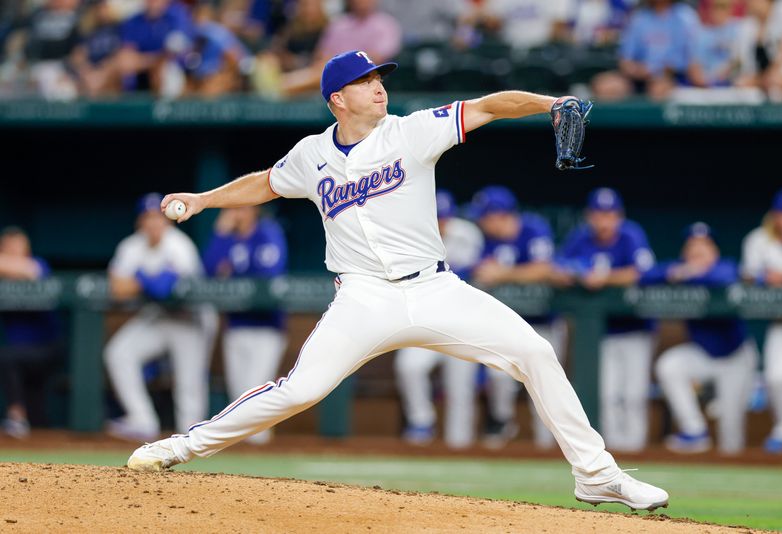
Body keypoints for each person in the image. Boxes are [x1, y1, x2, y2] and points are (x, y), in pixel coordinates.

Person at [127, 49, 669, 512]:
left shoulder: (411, 131)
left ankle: (596, 474)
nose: (379, 87)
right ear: (337, 98)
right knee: (301, 389)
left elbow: (486, 106)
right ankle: (181, 446)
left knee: (535, 352)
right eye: (365, 82)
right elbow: (266, 184)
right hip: (363, 297)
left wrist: (548, 104)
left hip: (435, 289)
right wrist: (202, 199)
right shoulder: (311, 155)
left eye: (379, 79)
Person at [552, 187, 656, 453]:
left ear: (618, 215)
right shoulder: (581, 237)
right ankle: (614, 452)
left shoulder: (631, 234)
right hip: (603, 334)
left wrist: (604, 277)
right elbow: (557, 266)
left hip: (635, 330)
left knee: (633, 395)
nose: (604, 220)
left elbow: (641, 272)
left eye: (609, 214)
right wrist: (575, 274)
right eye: (599, 214)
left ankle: (635, 449)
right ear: (590, 216)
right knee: (607, 395)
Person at [104, 193, 213, 441]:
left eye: (158, 217)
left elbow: (166, 288)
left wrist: (139, 277)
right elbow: (117, 288)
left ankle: (193, 435)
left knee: (189, 384)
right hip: (158, 318)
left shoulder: (180, 245)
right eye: (148, 217)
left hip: (190, 319)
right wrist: (147, 280)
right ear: (140, 222)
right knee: (119, 353)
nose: (153, 223)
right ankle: (141, 420)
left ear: (168, 221)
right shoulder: (131, 246)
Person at [648, 222, 757, 455]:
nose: (697, 252)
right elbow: (646, 276)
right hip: (703, 354)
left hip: (736, 356)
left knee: (731, 432)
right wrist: (678, 272)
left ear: (713, 251)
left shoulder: (725, 267)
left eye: (703, 247)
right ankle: (694, 429)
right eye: (692, 247)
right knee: (670, 365)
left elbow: (725, 277)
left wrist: (693, 272)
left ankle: (734, 484)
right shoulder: (680, 269)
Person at [469, 185, 564, 450]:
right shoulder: (487, 241)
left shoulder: (533, 228)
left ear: (500, 215)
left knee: (544, 384)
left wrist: (504, 274)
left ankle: (548, 445)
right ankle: (502, 422)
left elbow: (545, 269)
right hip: (507, 324)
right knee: (499, 375)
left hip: (543, 322)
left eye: (485, 216)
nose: (481, 222)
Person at [393, 189, 485, 449]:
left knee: (460, 390)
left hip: (463, 323)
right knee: (409, 366)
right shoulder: (410, 235)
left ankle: (460, 447)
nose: (440, 223)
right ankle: (421, 421)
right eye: (435, 217)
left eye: (444, 217)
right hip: (427, 321)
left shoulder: (466, 234)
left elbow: (466, 274)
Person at [203, 206, 288, 445]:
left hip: (267, 328)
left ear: (253, 210)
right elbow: (208, 272)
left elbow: (268, 274)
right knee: (238, 396)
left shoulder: (268, 232)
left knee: (255, 392)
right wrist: (220, 234)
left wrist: (232, 275)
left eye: (241, 208)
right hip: (236, 325)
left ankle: (261, 448)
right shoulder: (228, 240)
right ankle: (245, 461)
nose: (236, 213)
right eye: (233, 208)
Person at [741, 188, 782, 453]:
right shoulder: (758, 239)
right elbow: (748, 274)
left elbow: (781, 277)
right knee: (776, 378)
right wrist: (766, 278)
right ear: (774, 216)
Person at [0, 227, 61, 439]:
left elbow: (30, 270)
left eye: (18, 247)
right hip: (20, 353)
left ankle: (16, 417)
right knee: (37, 418)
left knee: (6, 357)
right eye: (8, 248)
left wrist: (7, 261)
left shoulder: (38, 264)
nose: (14, 252)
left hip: (46, 349)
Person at [591, 0, 699, 101]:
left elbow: (682, 61)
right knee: (603, 86)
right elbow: (625, 59)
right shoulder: (639, 17)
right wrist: (635, 70)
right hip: (638, 77)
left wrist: (653, 70)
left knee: (657, 90)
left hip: (671, 78)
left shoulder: (684, 17)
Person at [734, 0, 782, 102]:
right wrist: (758, 80)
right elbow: (747, 65)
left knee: (776, 84)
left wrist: (772, 74)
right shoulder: (748, 25)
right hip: (763, 81)